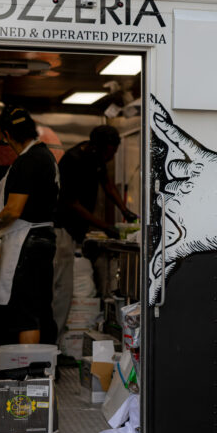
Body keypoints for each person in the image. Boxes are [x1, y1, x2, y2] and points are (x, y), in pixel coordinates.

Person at [52, 125, 137, 335]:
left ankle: (58, 337)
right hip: (62, 230)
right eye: (111, 152)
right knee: (62, 289)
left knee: (66, 288)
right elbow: (72, 203)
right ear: (98, 147)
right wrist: (105, 227)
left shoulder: (96, 158)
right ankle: (54, 340)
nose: (112, 156)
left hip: (74, 232)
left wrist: (125, 210)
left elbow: (108, 186)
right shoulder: (73, 160)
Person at [0, 107, 59, 346]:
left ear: (6, 134)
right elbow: (27, 193)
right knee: (38, 308)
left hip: (27, 242)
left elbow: (13, 211)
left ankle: (26, 372)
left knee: (25, 313)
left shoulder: (28, 161)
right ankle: (42, 372)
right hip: (40, 238)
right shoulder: (42, 155)